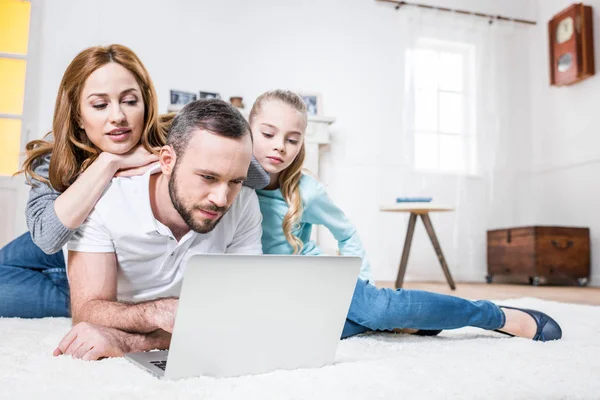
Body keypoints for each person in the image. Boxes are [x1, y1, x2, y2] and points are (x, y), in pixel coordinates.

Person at [248, 89, 562, 342]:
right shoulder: (232, 186)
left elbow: (345, 232)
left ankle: (493, 315)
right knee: (296, 335)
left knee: (378, 309)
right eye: (268, 134)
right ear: (248, 131)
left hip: (319, 277)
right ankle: (401, 323)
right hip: (279, 293)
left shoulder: (306, 190)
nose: (280, 148)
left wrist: (360, 280)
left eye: (292, 139)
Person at [0, 44, 268, 318]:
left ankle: (90, 298)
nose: (118, 117)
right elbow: (47, 238)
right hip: (64, 237)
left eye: (130, 101)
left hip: (114, 251)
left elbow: (253, 174)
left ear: (146, 103)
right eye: (100, 105)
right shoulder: (52, 156)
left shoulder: (165, 132)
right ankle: (83, 296)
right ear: (78, 114)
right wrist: (109, 162)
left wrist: (172, 151)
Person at [53, 99, 263, 360]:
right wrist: (158, 311)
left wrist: (130, 341)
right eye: (208, 177)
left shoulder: (244, 202)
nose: (221, 199)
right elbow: (86, 312)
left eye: (235, 181)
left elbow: (238, 313)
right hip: (53, 254)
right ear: (167, 161)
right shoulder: (104, 200)